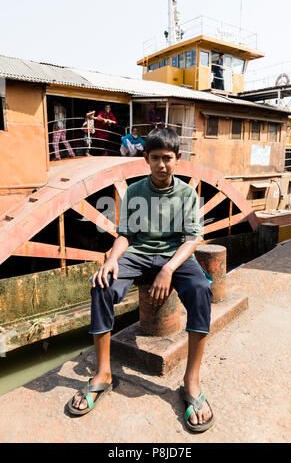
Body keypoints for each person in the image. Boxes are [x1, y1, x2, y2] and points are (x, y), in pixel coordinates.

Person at [68, 128, 214, 433]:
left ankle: (191, 381)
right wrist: (110, 259)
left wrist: (169, 269)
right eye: (156, 158)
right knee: (102, 286)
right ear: (146, 159)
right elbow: (126, 235)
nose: (162, 165)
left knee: (201, 289)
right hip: (139, 253)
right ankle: (103, 374)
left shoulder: (187, 193)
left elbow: (192, 239)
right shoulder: (134, 191)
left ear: (178, 160)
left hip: (176, 256)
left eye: (168, 159)